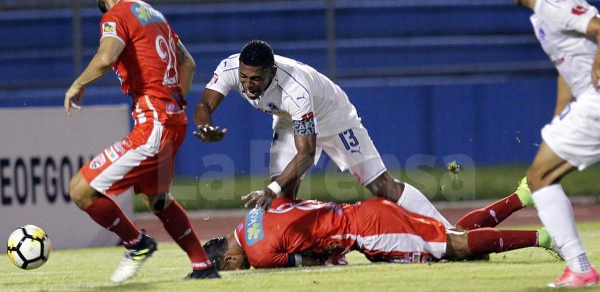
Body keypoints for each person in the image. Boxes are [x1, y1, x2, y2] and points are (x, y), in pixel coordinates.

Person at [64, 0, 219, 282]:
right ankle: (203, 266)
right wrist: (175, 99)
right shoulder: (152, 13)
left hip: (154, 123)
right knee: (157, 199)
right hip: (173, 120)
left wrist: (78, 84)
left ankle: (136, 243)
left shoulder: (115, 15)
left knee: (80, 189)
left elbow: (105, 58)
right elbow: (187, 62)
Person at [193, 39, 452, 228]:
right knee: (285, 194)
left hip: (332, 116)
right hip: (287, 118)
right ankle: (301, 250)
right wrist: (205, 126)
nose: (248, 86)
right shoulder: (230, 69)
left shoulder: (295, 90)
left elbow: (306, 154)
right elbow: (203, 105)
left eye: (256, 79)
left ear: (271, 72)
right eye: (244, 77)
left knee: (380, 185)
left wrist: (269, 189)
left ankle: (446, 229)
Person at [504, 0, 600, 287]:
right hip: (586, 102)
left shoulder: (552, 3)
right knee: (542, 176)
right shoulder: (550, 3)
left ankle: (579, 267)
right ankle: (579, 267)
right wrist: (560, 116)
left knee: (540, 178)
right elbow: (567, 66)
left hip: (597, 101)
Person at [201, 189, 558, 270]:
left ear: (230, 257)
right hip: (365, 212)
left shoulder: (258, 254)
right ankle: (521, 195)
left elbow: (310, 263)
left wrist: (327, 259)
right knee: (449, 236)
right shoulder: (254, 214)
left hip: (369, 231)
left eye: (230, 267)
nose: (237, 269)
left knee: (457, 248)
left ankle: (543, 237)